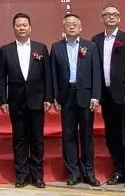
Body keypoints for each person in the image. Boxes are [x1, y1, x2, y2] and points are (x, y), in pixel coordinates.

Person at [0, 12, 52, 189]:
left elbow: (47, 75)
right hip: (16, 102)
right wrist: (3, 100)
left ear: (30, 27)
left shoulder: (40, 48)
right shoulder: (6, 50)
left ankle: (37, 176)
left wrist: (48, 97)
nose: (21, 28)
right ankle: (21, 175)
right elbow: (1, 78)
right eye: (18, 25)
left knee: (37, 139)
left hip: (37, 100)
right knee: (19, 139)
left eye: (24, 25)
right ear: (14, 28)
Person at [49, 13, 100, 187]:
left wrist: (95, 96)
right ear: (63, 27)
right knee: (68, 135)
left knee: (87, 135)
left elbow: (96, 72)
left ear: (80, 27)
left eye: (74, 24)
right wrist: (55, 96)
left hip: (85, 96)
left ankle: (89, 173)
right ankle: (73, 173)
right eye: (68, 24)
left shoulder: (90, 46)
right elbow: (53, 74)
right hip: (66, 96)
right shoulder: (56, 47)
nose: (71, 26)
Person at [91, 3, 125, 187]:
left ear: (119, 18)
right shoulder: (95, 40)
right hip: (106, 96)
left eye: (114, 14)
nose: (111, 17)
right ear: (102, 18)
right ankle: (119, 171)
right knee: (112, 135)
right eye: (107, 14)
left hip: (124, 96)